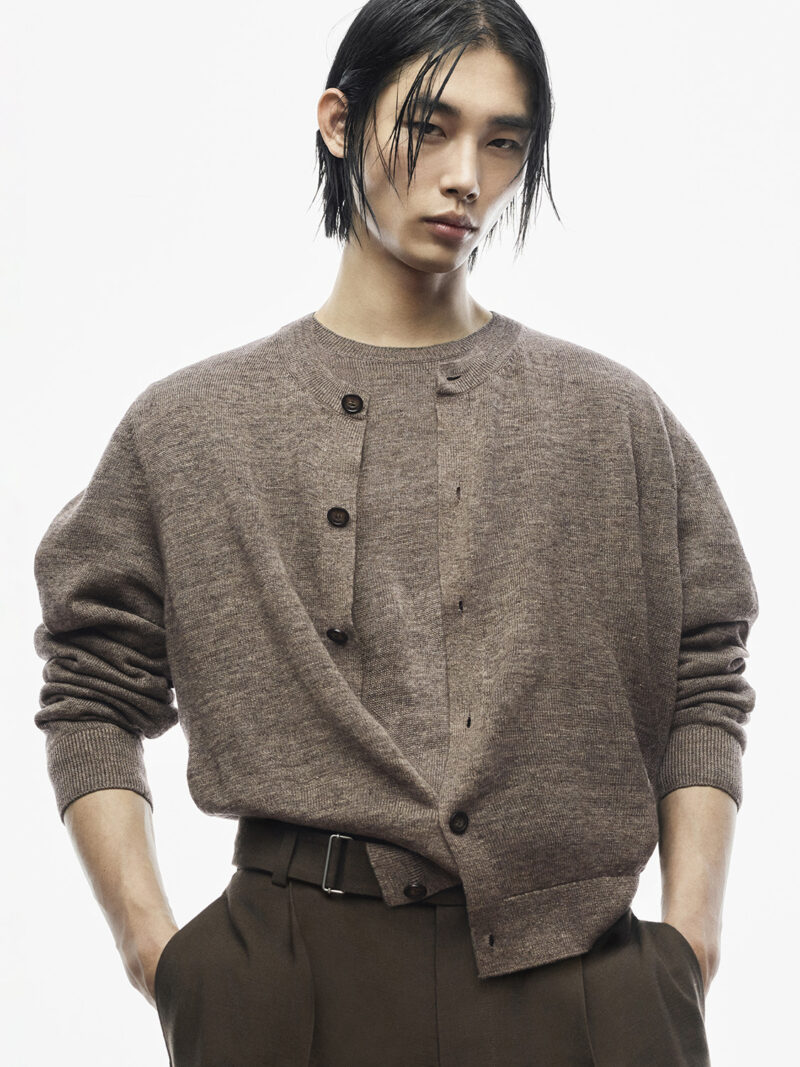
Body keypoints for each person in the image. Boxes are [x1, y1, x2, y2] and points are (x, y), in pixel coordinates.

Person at [32, 1, 758, 1064]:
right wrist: (157, 948)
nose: (466, 177)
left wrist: (688, 940)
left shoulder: (611, 417)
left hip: (581, 980)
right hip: (286, 979)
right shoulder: (188, 427)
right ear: (338, 121)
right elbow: (92, 680)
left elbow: (704, 665)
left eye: (502, 142)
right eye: (429, 128)